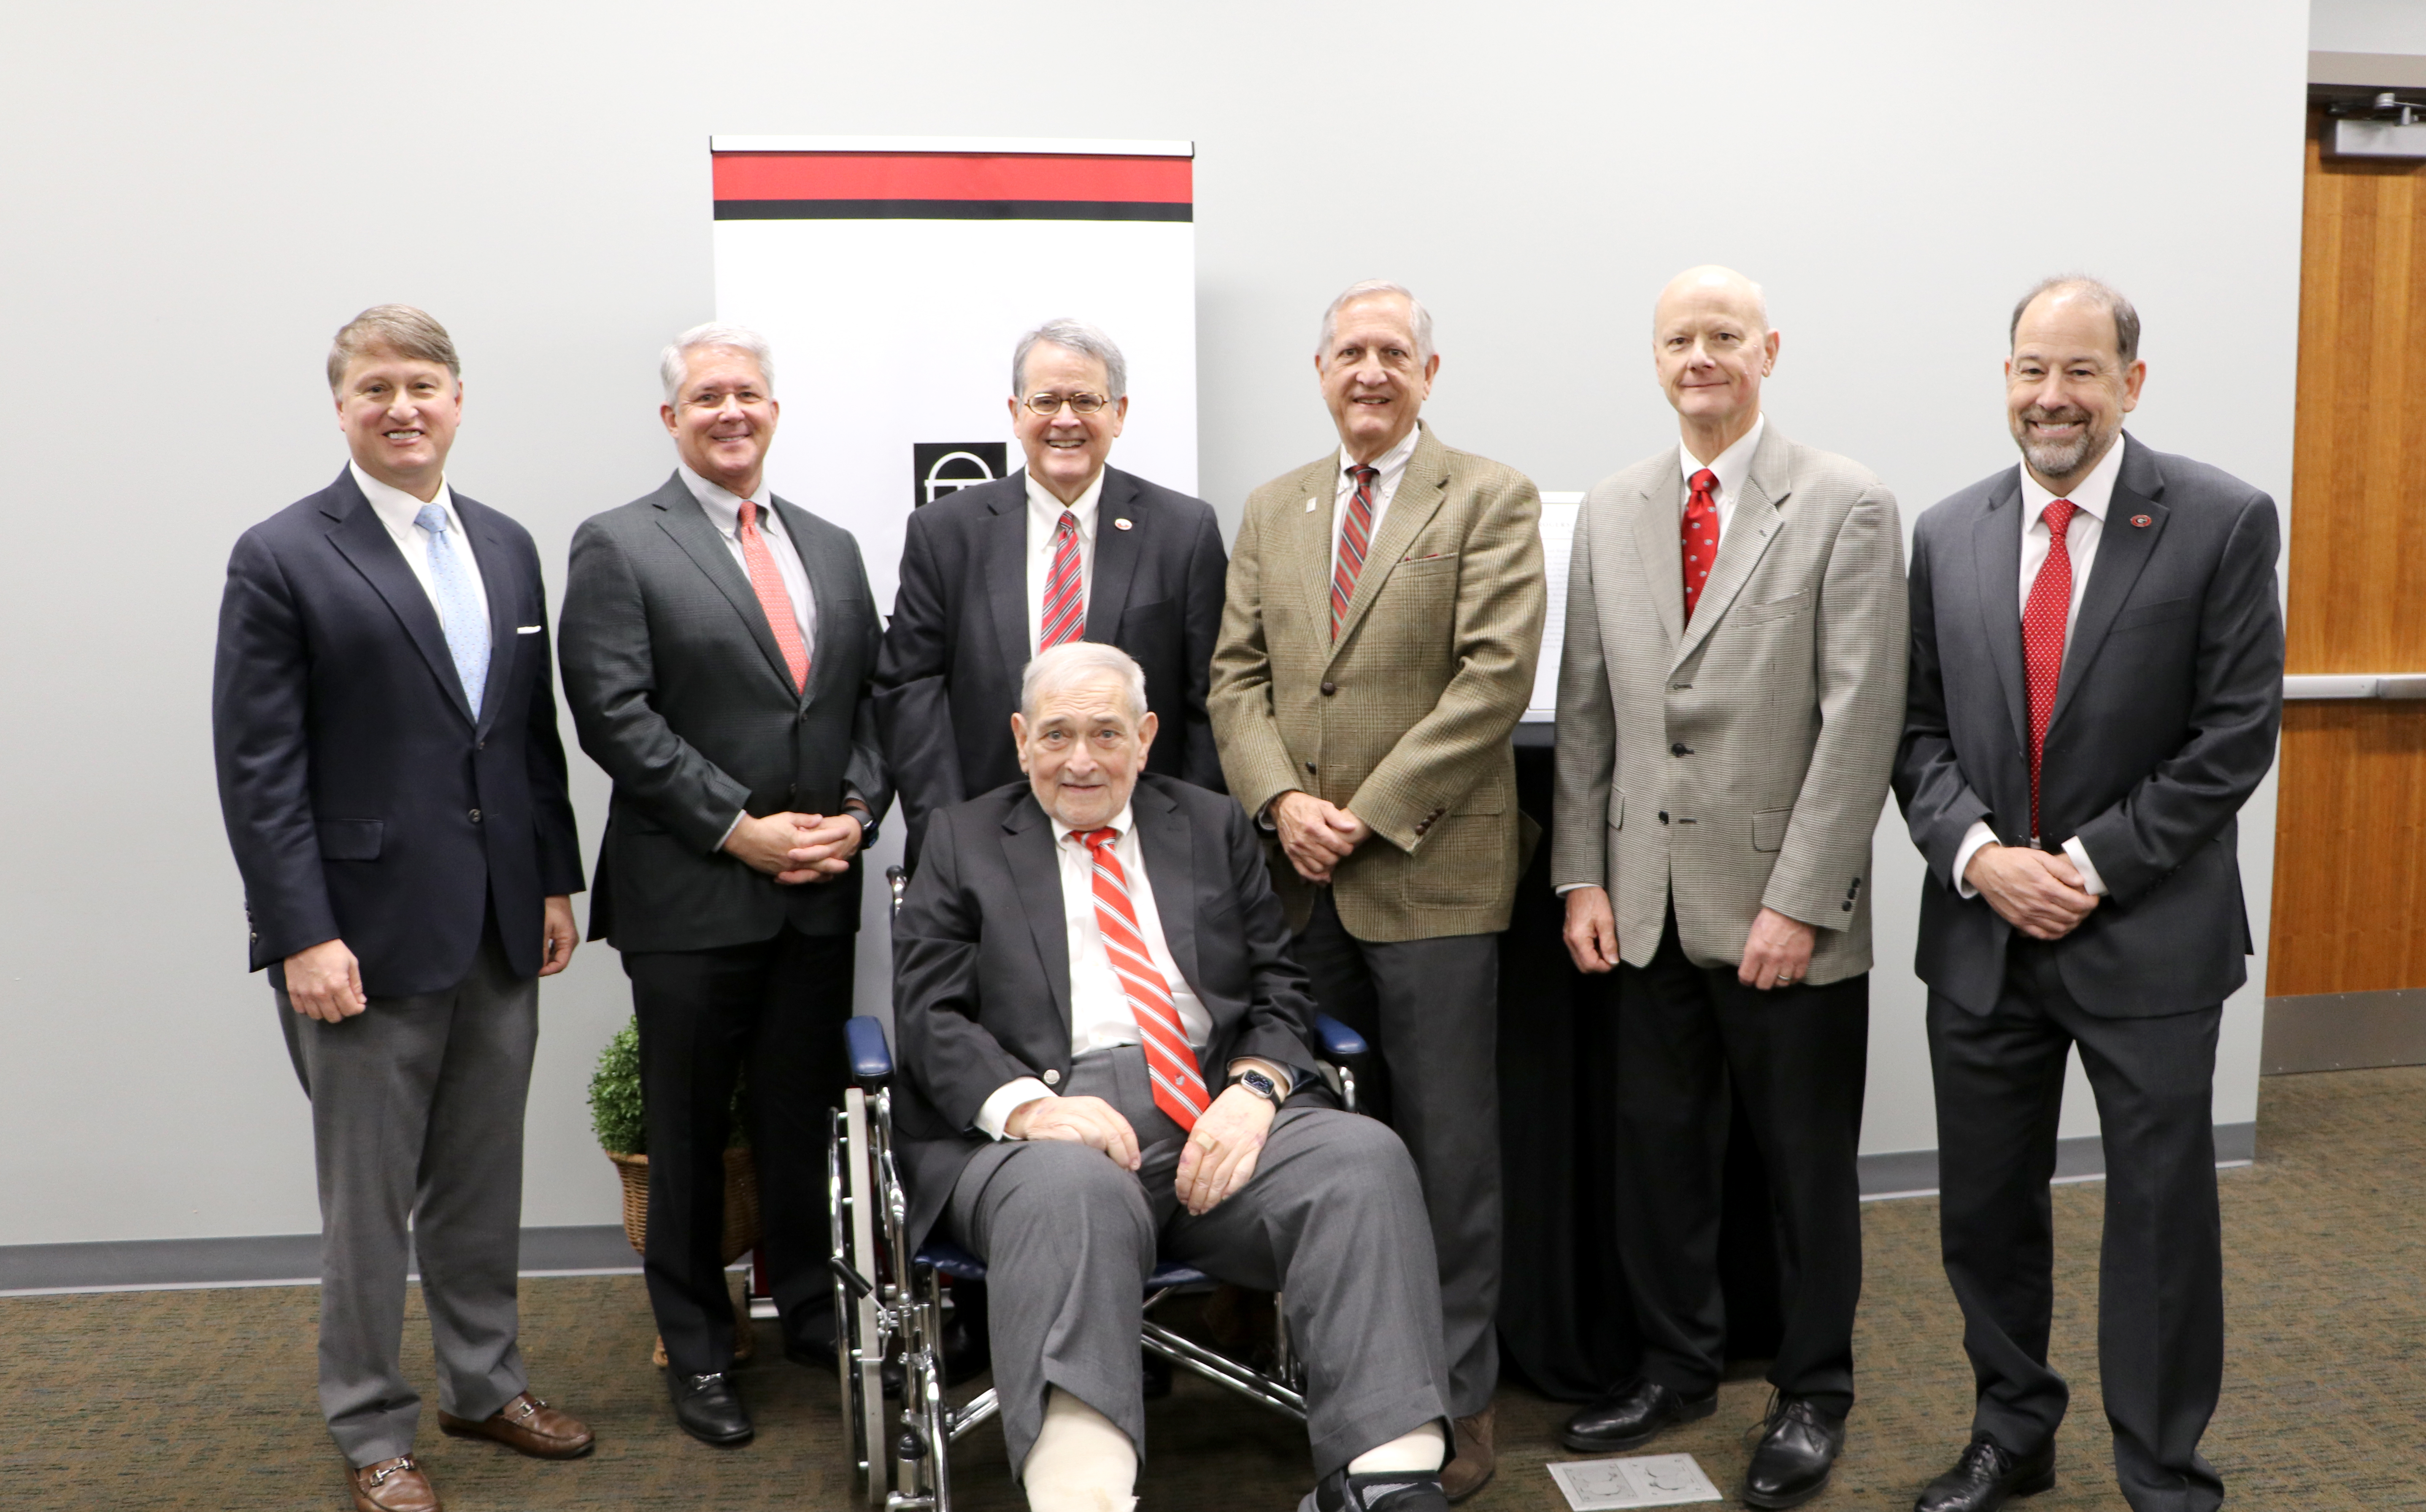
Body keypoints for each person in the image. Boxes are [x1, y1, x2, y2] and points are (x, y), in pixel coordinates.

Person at [893, 640, 1458, 1512]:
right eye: (1057, 734)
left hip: (1208, 1112)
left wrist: (1257, 1089)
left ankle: (1385, 1476)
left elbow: (1278, 985)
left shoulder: (1208, 823)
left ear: (1147, 736)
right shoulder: (961, 839)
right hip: (1036, 1130)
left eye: (1106, 733)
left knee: (1362, 1160)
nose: (1080, 759)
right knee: (1069, 1191)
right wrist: (1032, 1109)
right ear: (1019, 738)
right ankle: (1081, 1494)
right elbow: (929, 1017)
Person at [1893, 277, 2283, 1512]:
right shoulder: (1947, 531)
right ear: (2001, 378)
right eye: (2027, 369)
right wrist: (1976, 857)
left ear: (2129, 381)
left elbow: (2230, 738)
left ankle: (2160, 1470)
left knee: (2160, 1222)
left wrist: (2085, 866)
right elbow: (1912, 734)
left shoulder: (2217, 521)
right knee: (1983, 1212)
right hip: (1981, 933)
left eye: (2076, 371)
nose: (2048, 397)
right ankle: (2011, 1434)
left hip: (2147, 934)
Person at [213, 305, 592, 1512]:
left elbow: (527, 736)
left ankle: (483, 1387)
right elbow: (257, 769)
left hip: (494, 921)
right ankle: (373, 1430)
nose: (401, 407)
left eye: (422, 384)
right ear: (341, 408)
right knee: (367, 1206)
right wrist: (301, 935)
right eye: (374, 388)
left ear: (458, 399)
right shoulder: (282, 555)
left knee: (482, 1180)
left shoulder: (506, 544)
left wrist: (550, 880)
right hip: (358, 940)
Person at [1550, 266, 1907, 1509]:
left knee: (1802, 1169)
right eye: (1674, 339)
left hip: (1780, 912)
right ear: (1653, 360)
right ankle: (1675, 1366)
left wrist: (1798, 899)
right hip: (1639, 903)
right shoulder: (1612, 506)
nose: (1696, 356)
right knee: (1659, 1157)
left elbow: (1860, 719)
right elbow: (1587, 711)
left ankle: (1813, 1389)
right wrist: (1579, 876)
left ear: (1767, 349)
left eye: (1720, 336)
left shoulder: (1845, 502)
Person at [1208, 279, 1544, 1501]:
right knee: (1309, 1150)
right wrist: (1278, 804)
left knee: (1449, 1165)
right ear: (1319, 370)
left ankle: (1455, 1417)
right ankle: (1341, 1397)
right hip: (1292, 887)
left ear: (1427, 373)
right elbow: (1233, 679)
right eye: (1348, 351)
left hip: (1432, 878)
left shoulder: (1489, 496)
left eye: (1391, 352)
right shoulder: (1272, 505)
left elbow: (1492, 680)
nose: (1368, 371)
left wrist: (1363, 813)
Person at [557, 322, 891, 1447]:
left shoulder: (832, 546)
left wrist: (854, 815)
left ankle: (806, 1307)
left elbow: (871, 703)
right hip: (693, 894)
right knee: (691, 1130)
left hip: (816, 889)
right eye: (706, 397)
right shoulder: (618, 544)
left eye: (747, 393)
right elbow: (615, 716)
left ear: (774, 410)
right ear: (671, 419)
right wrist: (739, 831)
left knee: (802, 1119)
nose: (729, 412)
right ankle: (698, 1348)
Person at [876, 317, 1227, 869]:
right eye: (1045, 401)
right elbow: (909, 694)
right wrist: (950, 832)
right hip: (984, 847)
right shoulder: (944, 533)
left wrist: (1183, 833)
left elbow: (1212, 699)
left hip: (1144, 849)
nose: (1065, 419)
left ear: (1119, 413)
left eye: (1086, 399)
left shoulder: (1183, 532)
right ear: (1015, 415)